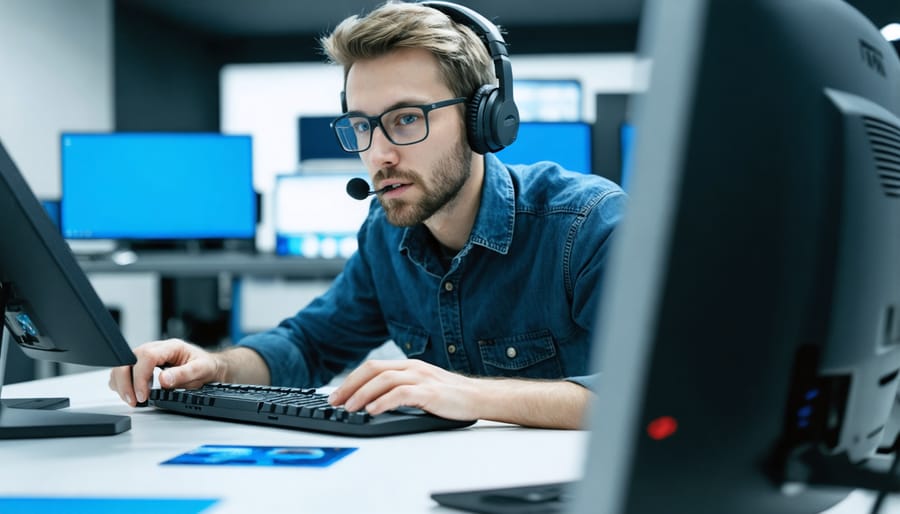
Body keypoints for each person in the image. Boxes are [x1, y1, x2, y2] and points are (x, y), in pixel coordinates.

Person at [108, 1, 626, 430]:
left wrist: (469, 395)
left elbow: (648, 395)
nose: (378, 154)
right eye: (362, 126)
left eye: (406, 119)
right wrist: (213, 367)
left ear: (483, 119)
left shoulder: (588, 226)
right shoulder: (386, 235)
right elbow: (307, 344)